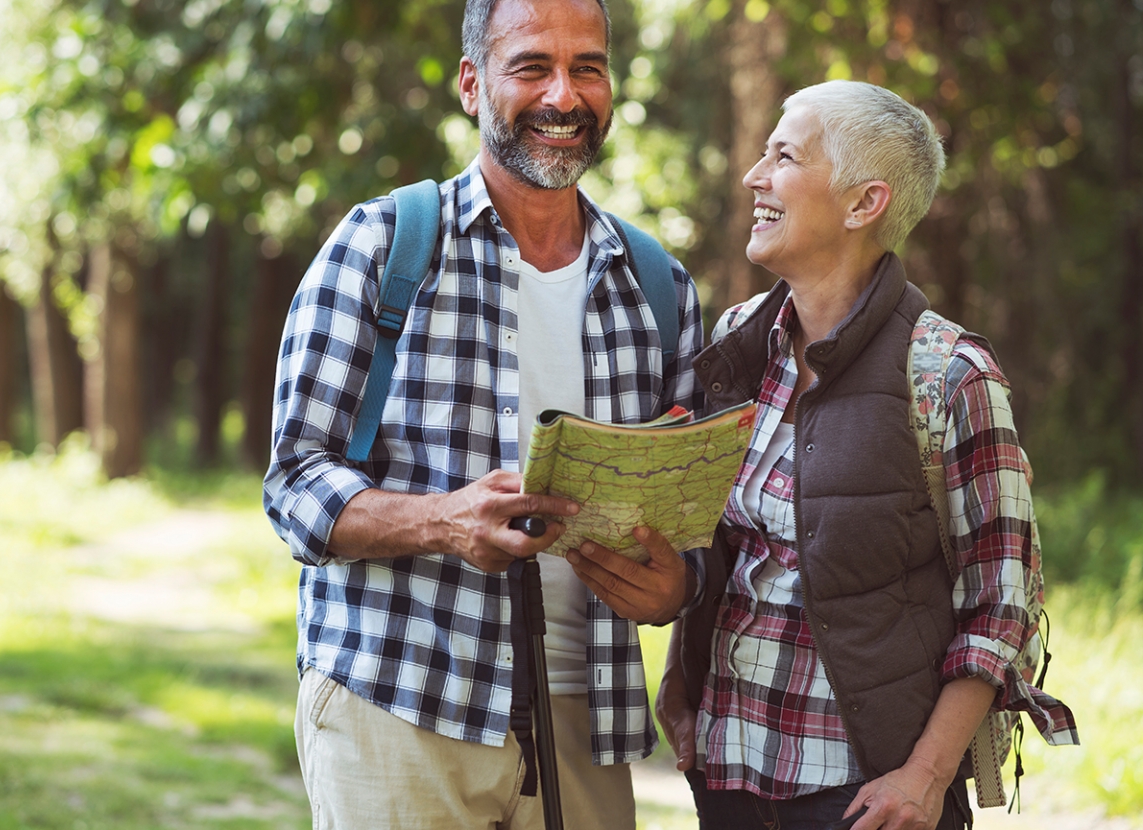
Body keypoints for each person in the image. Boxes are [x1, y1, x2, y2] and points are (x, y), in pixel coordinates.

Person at [573, 80, 1079, 830]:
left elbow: (1002, 608)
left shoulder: (950, 374)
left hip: (867, 801)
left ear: (862, 203)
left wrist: (924, 779)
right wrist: (682, 683)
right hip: (729, 777)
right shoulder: (743, 339)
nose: (755, 175)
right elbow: (719, 538)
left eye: (784, 156)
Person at [261, 0, 706, 826]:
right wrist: (442, 522)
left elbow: (694, 517)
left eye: (588, 68)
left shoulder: (659, 287)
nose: (563, 96)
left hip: (585, 716)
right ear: (472, 84)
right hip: (400, 701)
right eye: (532, 67)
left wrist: (677, 586)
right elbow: (293, 485)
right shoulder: (381, 245)